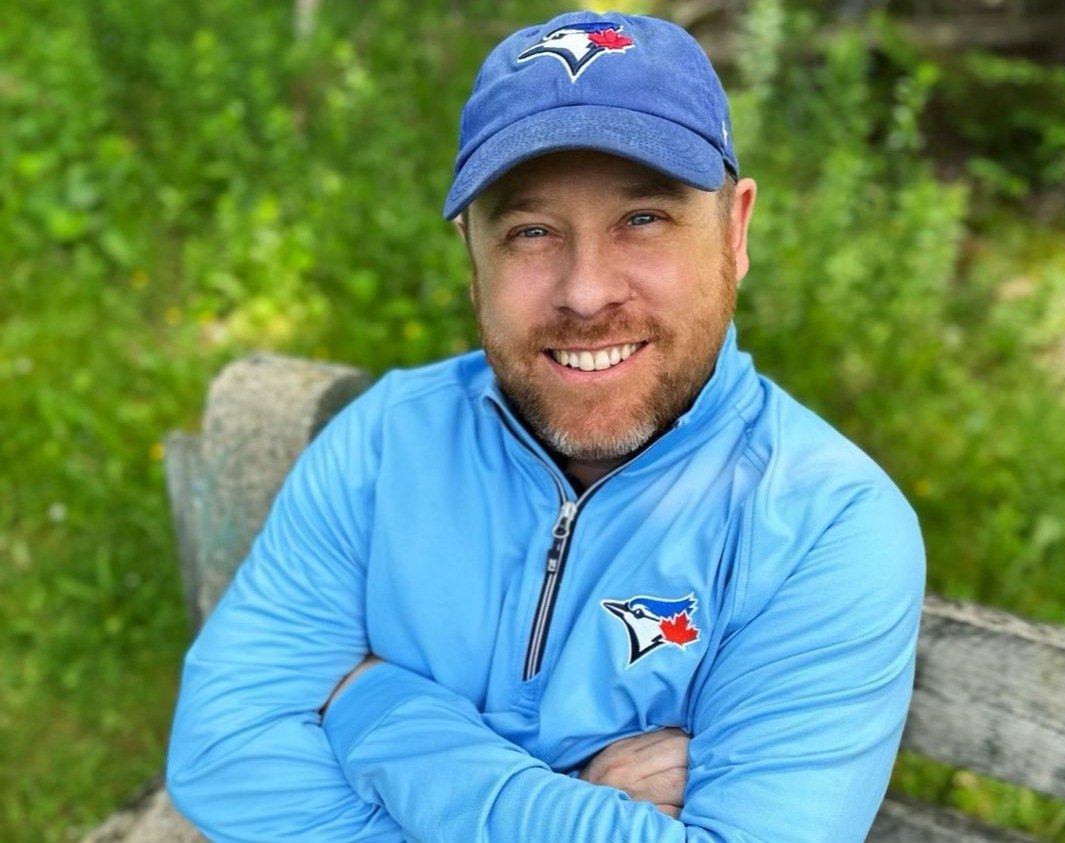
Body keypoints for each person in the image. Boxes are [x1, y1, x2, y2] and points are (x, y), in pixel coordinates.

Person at [167, 10, 925, 842]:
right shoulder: (388, 441)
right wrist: (573, 793)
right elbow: (222, 753)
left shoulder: (824, 521)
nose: (586, 292)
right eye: (531, 232)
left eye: (643, 219)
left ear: (734, 232)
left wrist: (373, 706)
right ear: (472, 255)